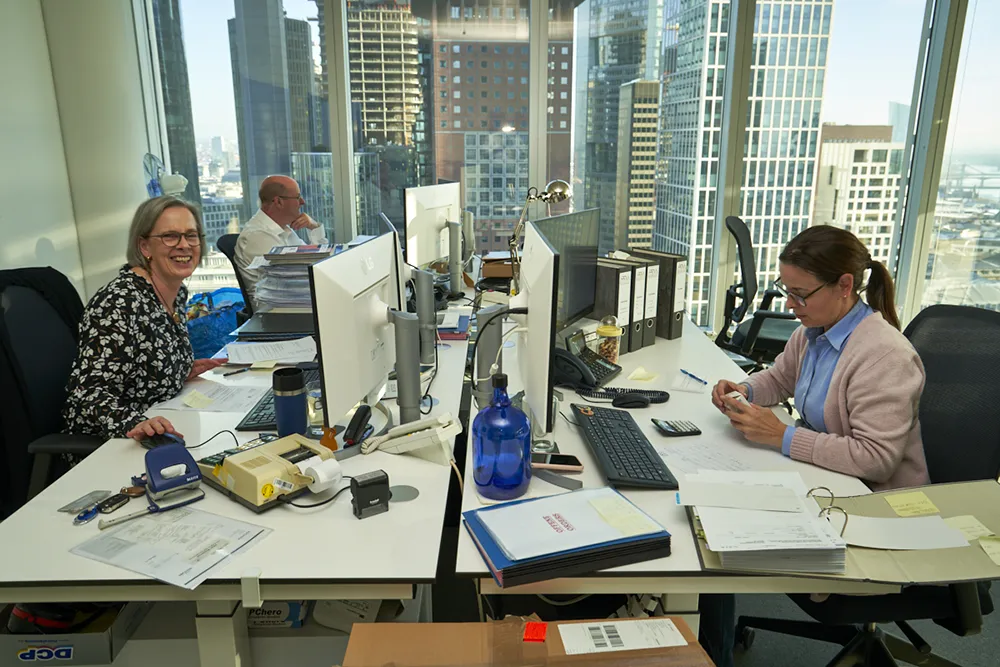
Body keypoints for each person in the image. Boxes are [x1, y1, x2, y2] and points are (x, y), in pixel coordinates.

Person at [698, 225, 930, 667]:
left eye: (801, 294)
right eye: (787, 291)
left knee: (720, 546)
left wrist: (782, 435)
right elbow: (780, 378)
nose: (791, 305)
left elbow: (876, 459)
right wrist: (743, 389)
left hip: (875, 511)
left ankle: (710, 652)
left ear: (845, 285)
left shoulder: (886, 356)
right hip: (825, 485)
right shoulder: (814, 331)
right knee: (713, 524)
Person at [62, 197, 226, 442]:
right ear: (145, 247)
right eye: (170, 236)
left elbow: (141, 369)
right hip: (114, 444)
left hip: (166, 421)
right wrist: (138, 423)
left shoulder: (176, 292)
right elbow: (86, 395)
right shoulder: (119, 303)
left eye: (191, 235)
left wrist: (178, 370)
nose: (184, 245)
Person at [235, 175, 327, 304]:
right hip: (276, 310)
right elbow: (296, 279)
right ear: (278, 202)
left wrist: (314, 227)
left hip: (295, 300)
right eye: (297, 197)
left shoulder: (282, 229)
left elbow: (316, 259)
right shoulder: (257, 236)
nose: (302, 202)